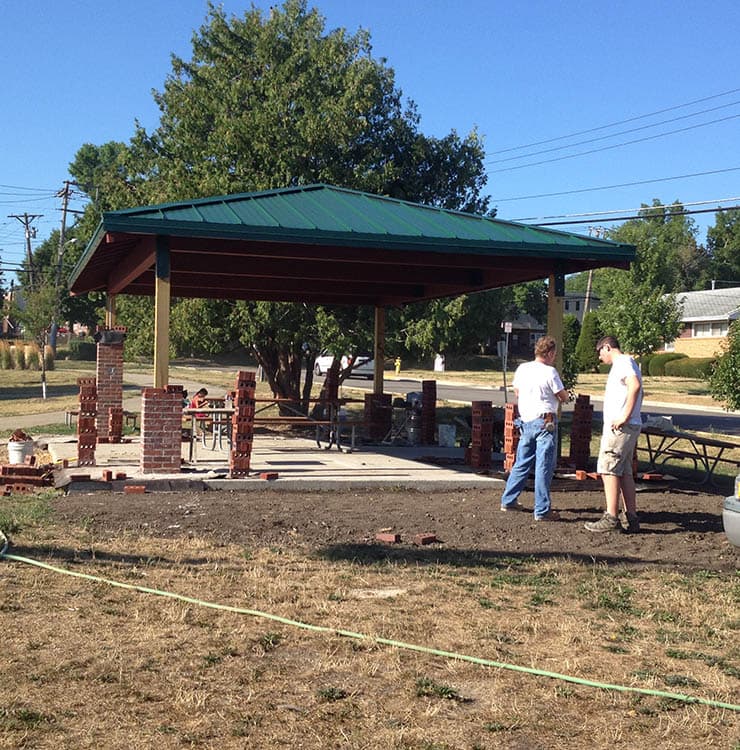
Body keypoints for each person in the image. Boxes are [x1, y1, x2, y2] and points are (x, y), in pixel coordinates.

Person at [500, 335, 569, 521]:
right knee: (544, 466)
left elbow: (517, 392)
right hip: (545, 422)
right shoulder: (550, 372)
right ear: (550, 353)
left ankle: (509, 500)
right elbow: (562, 396)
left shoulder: (522, 369)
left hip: (526, 421)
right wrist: (568, 395)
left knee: (521, 463)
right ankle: (542, 510)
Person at [585, 336, 643, 533]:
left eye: (600, 352)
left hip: (621, 428)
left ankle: (611, 516)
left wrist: (624, 417)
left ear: (607, 347)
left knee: (608, 468)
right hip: (628, 427)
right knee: (625, 472)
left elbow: (634, 385)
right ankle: (631, 517)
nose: (600, 357)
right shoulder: (626, 363)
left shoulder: (623, 362)